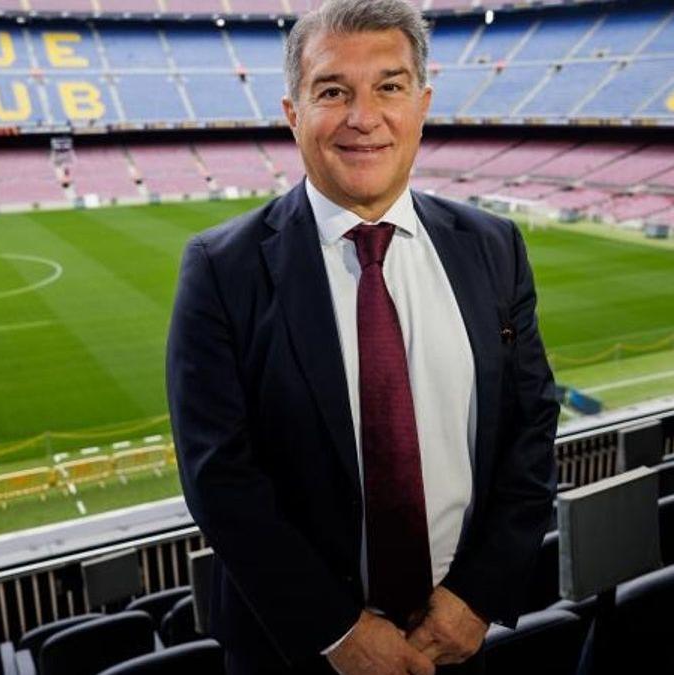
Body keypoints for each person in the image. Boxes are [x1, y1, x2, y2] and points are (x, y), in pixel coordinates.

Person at [166, 1, 559, 672]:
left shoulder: (494, 246)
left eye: (389, 86)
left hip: (461, 639)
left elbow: (531, 425)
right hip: (296, 653)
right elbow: (220, 478)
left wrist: (478, 594)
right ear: (293, 114)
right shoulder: (220, 269)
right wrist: (338, 631)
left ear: (422, 103)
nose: (363, 116)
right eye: (332, 91)